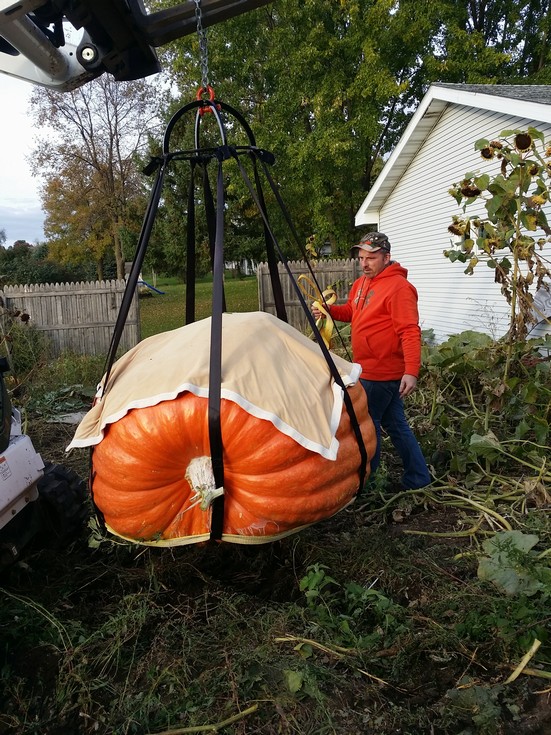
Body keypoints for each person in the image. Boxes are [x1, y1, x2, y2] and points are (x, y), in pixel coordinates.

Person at [313, 232, 431, 489]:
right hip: (365, 368)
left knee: (368, 425)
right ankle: (418, 477)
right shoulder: (361, 284)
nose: (364, 264)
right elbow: (352, 312)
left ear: (386, 258)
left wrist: (411, 371)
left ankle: (369, 480)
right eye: (361, 258)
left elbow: (410, 330)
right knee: (395, 424)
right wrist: (328, 311)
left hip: (382, 372)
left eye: (371, 258)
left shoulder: (399, 288)